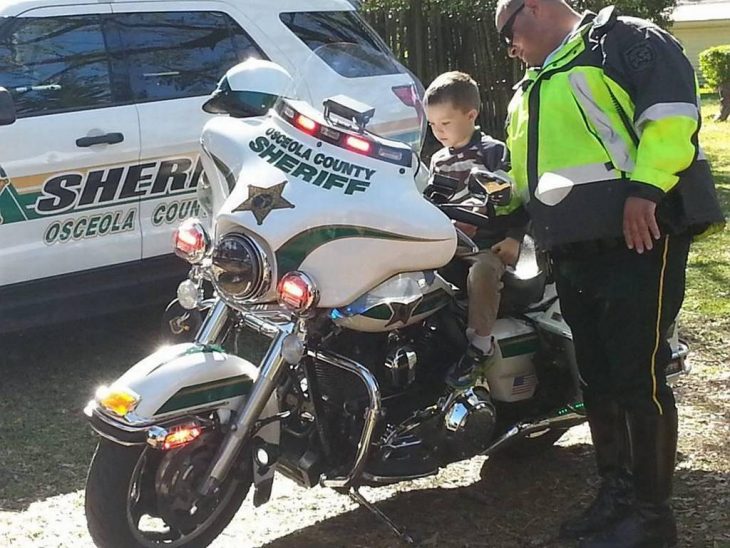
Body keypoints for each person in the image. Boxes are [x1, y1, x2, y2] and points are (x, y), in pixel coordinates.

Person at [494, 1, 725, 546]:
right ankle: (615, 496)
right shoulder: (532, 85)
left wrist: (645, 190)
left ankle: (651, 517)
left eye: (509, 30)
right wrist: (507, 223)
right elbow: (524, 168)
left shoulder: (622, 43)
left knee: (636, 376)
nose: (509, 46)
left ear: (536, 7)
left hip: (639, 239)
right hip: (572, 250)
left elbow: (671, 117)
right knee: (595, 377)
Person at [424, 71, 529, 389]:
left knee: (482, 271)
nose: (438, 131)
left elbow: (517, 196)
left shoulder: (493, 152)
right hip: (448, 243)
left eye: (445, 123)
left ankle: (480, 345)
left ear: (471, 115)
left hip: (487, 244)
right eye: (432, 125)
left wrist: (514, 237)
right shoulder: (438, 160)